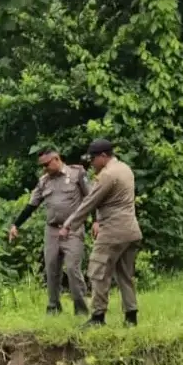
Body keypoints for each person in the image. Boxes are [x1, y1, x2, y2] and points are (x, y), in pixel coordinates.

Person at [61, 138, 142, 328]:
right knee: (125, 275)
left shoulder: (108, 175)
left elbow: (90, 202)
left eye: (93, 159)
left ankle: (98, 317)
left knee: (97, 272)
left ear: (104, 156)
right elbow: (109, 200)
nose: (91, 164)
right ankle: (131, 317)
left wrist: (68, 225)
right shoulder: (125, 169)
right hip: (131, 230)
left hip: (113, 231)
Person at [9, 148, 96, 315]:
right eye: (41, 166)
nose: (44, 168)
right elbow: (32, 205)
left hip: (72, 229)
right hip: (52, 230)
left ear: (56, 159)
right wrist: (16, 224)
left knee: (72, 268)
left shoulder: (76, 174)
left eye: (46, 164)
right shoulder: (44, 181)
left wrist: (96, 221)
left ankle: (81, 309)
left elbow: (91, 199)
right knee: (51, 269)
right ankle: (53, 307)